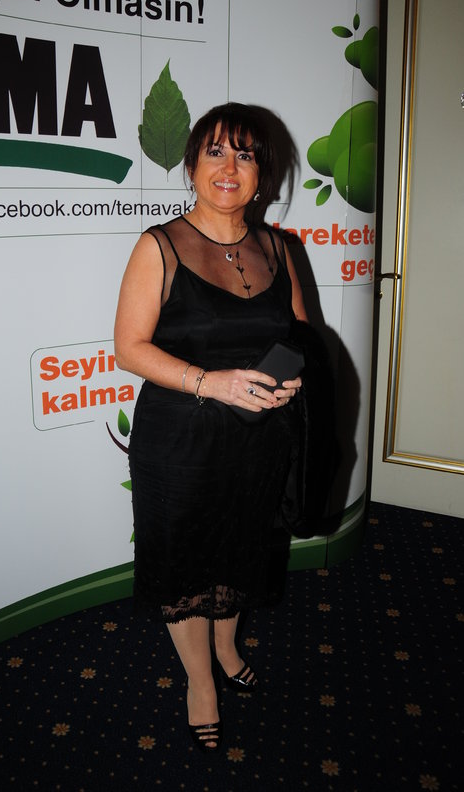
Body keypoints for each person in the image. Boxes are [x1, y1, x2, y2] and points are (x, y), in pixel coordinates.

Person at [114, 102, 308, 752]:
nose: (230, 167)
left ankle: (227, 648)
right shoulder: (159, 246)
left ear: (262, 173)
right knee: (187, 567)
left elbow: (298, 335)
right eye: (216, 152)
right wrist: (210, 382)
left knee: (243, 552)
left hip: (259, 440)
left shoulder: (279, 248)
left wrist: (293, 379)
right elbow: (129, 348)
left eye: (245, 155)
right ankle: (200, 680)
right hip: (181, 444)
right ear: (192, 166)